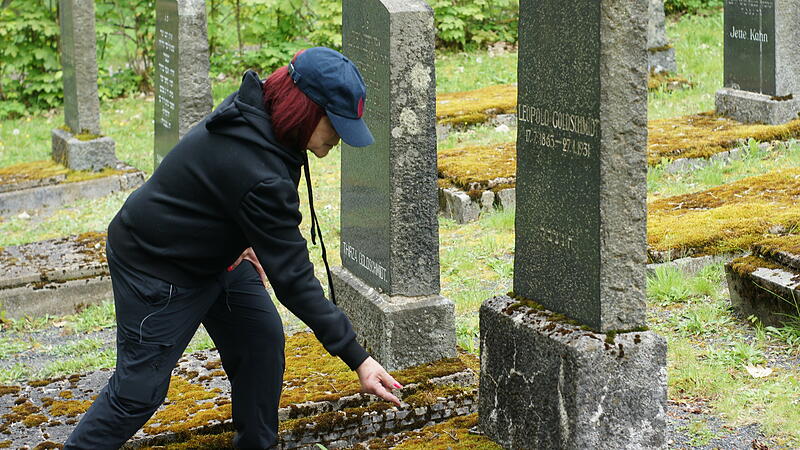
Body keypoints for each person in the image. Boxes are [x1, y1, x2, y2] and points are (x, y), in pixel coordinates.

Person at [64, 47, 402, 449]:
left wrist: (246, 235)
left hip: (217, 256)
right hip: (156, 265)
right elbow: (293, 280)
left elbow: (230, 192)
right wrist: (359, 359)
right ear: (308, 110)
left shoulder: (261, 114)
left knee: (260, 342)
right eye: (338, 124)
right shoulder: (260, 171)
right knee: (138, 393)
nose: (341, 139)